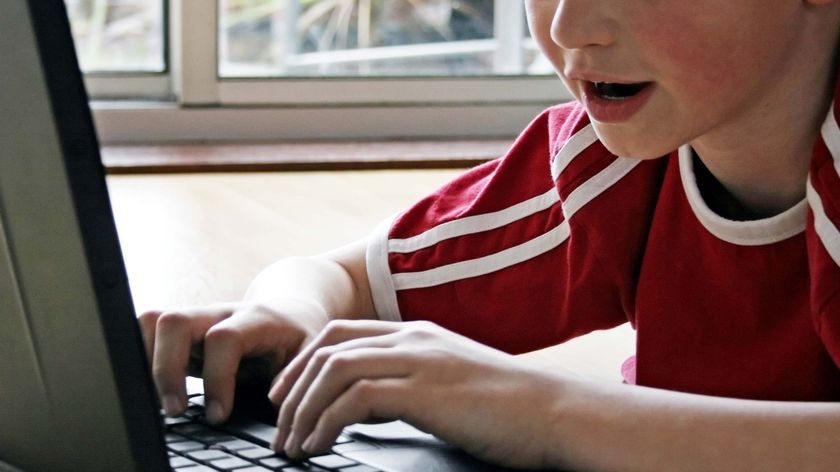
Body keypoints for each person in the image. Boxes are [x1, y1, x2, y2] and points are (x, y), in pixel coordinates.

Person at [139, 0, 840, 469]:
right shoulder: (611, 164)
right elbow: (345, 279)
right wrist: (287, 318)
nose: (567, 27)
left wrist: (541, 410)